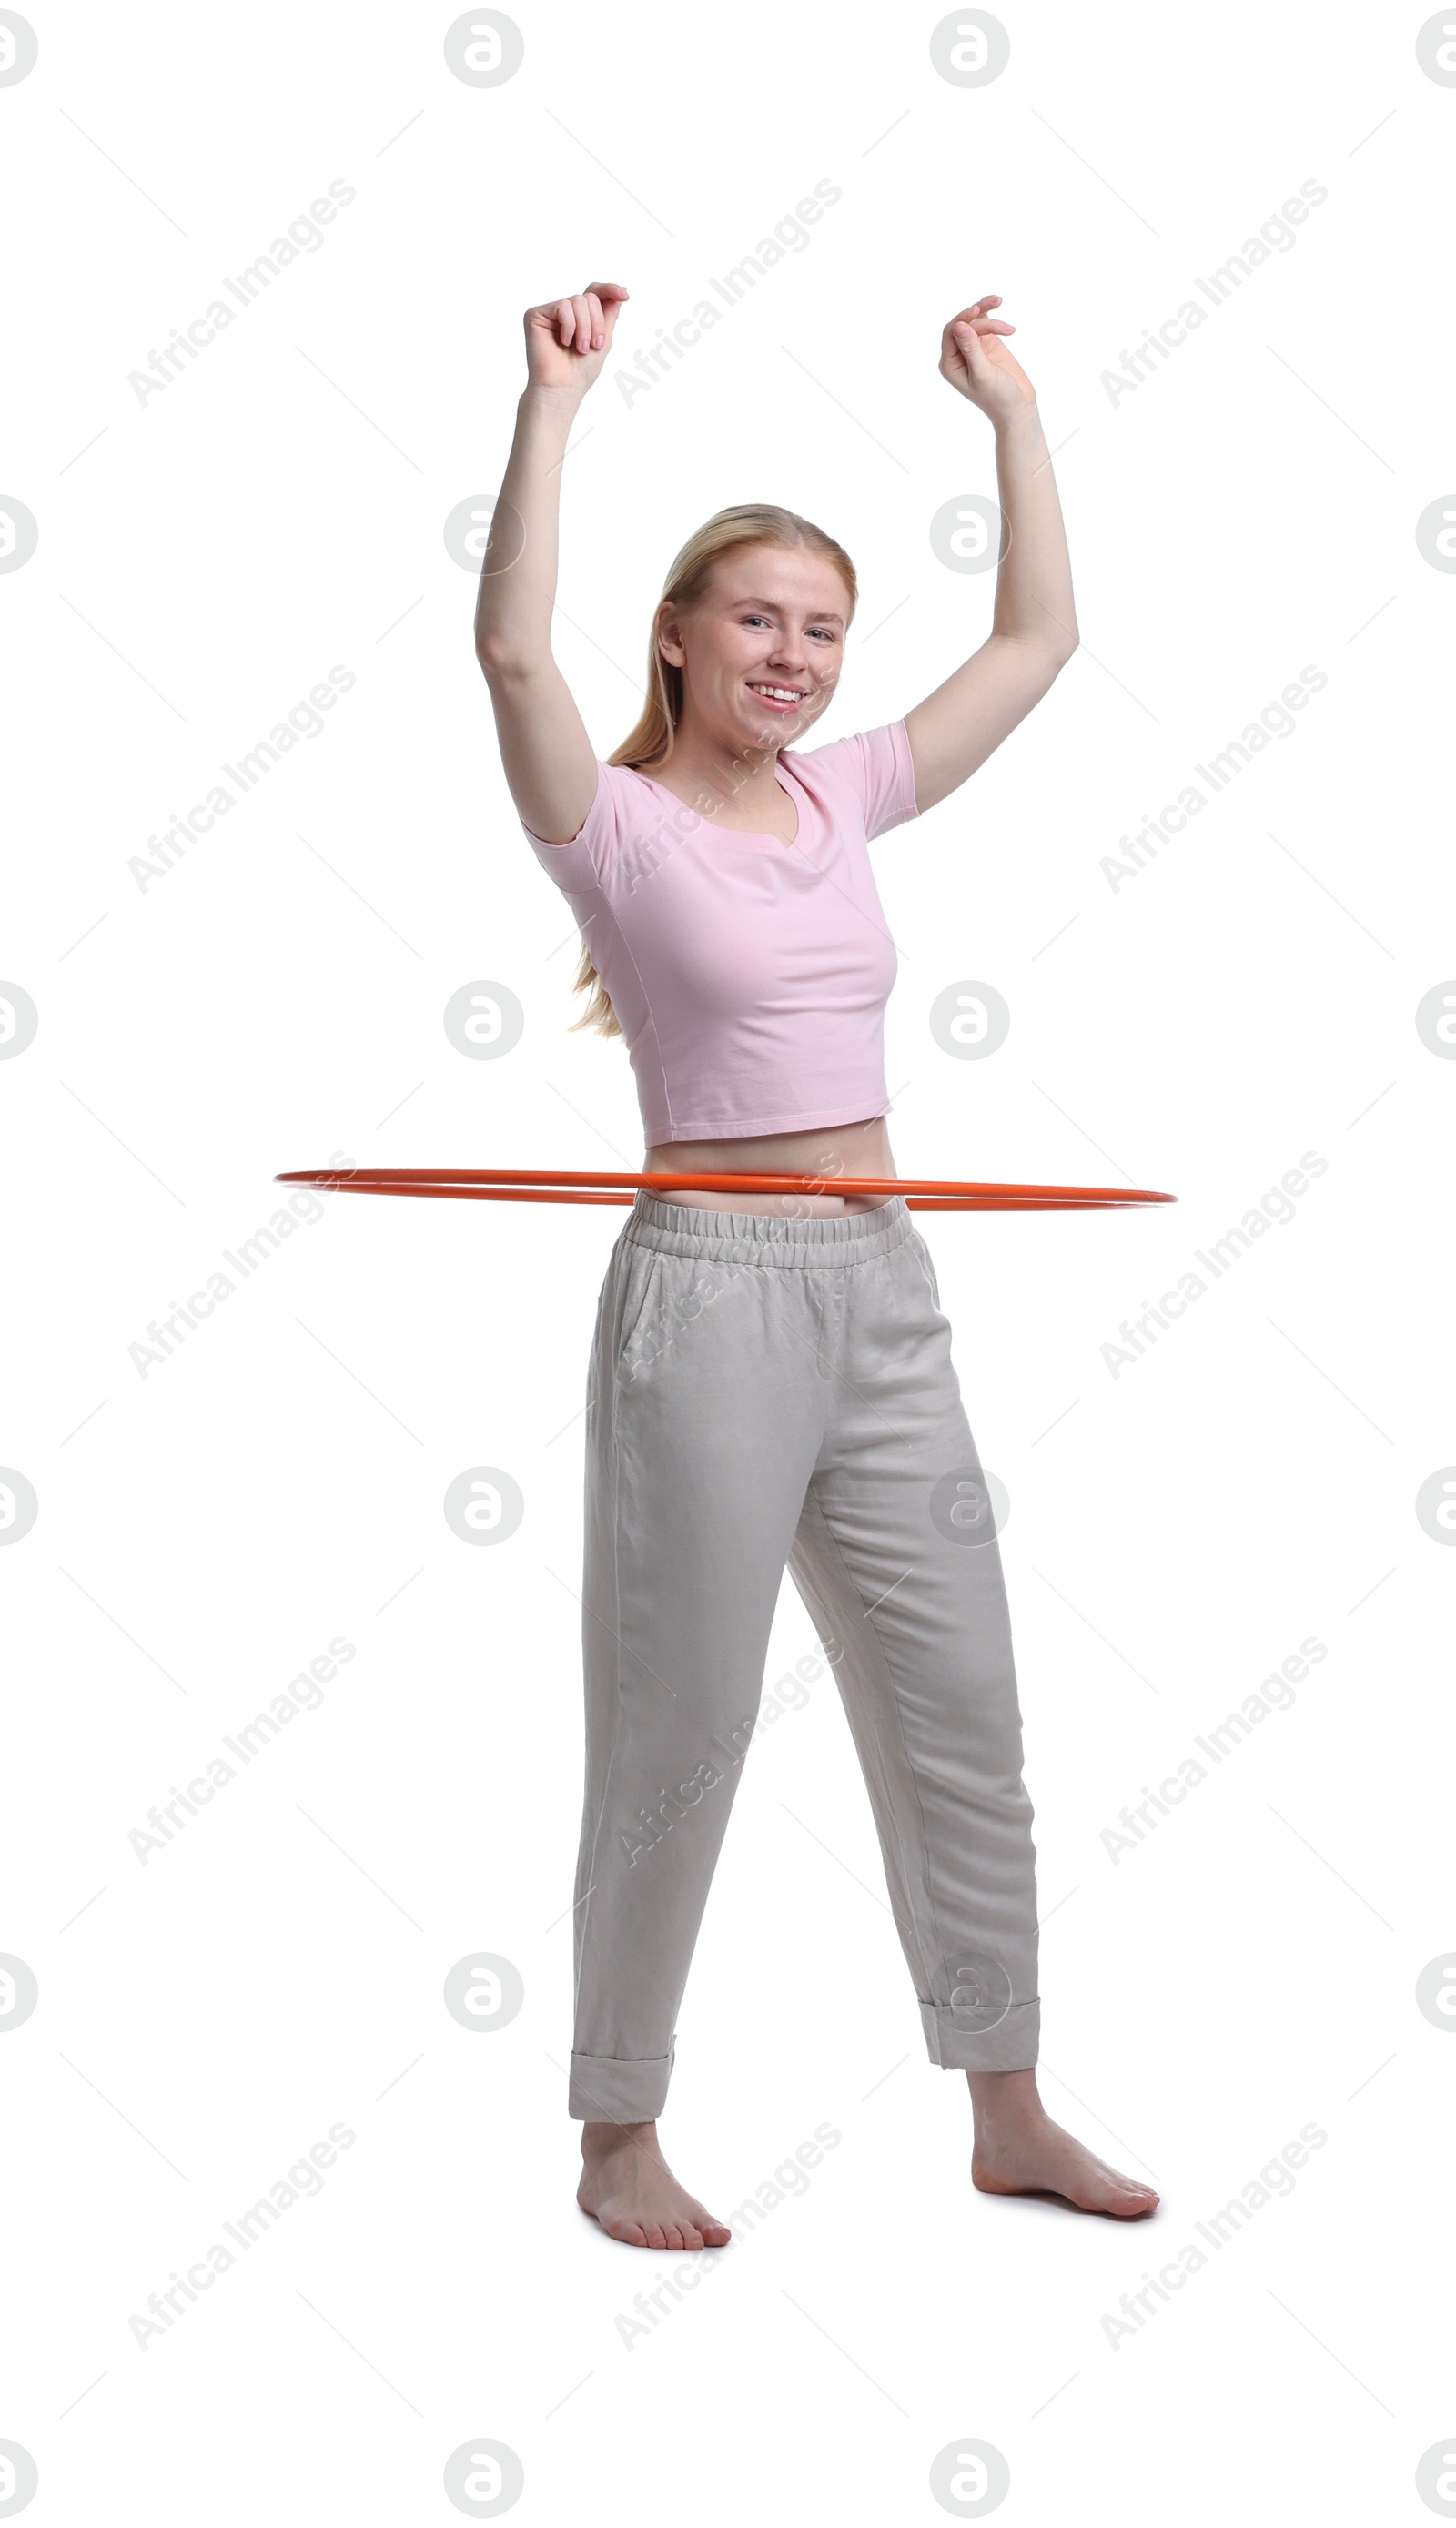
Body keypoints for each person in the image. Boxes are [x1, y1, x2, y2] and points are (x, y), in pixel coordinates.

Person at [475, 279, 1159, 2250]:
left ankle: (1005, 2100)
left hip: (879, 1279)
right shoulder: (600, 826)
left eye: (821, 629)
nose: (793, 654)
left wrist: (1008, 413)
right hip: (708, 1292)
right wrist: (554, 413)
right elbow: (505, 643)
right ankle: (616, 2132)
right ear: (680, 637)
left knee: (963, 1701)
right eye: (756, 618)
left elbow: (1036, 639)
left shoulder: (838, 792)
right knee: (679, 1726)